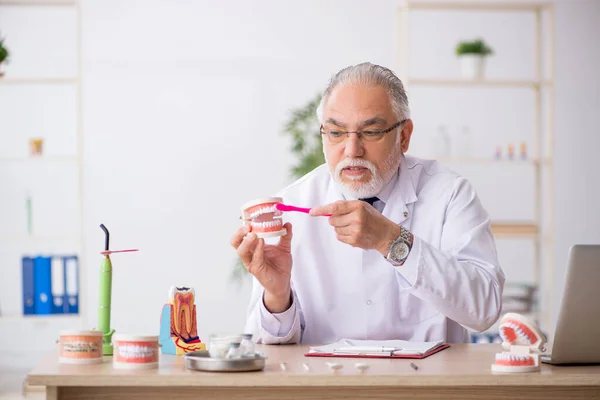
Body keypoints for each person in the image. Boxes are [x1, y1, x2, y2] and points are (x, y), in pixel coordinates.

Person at [230, 62, 505, 345]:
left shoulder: (449, 195)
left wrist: (392, 240)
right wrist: (277, 296)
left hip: (423, 385)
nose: (352, 150)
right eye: (336, 133)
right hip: (326, 385)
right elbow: (264, 349)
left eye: (370, 132)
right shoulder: (292, 205)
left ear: (405, 136)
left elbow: (484, 310)